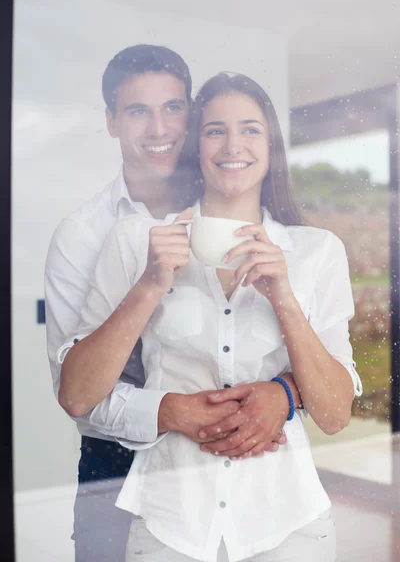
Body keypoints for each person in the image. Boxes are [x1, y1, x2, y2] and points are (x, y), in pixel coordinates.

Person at [58, 72, 362, 562]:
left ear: (271, 147)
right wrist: (151, 284)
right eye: (214, 130)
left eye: (250, 129)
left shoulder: (316, 252)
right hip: (168, 524)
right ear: (196, 147)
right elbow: (76, 394)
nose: (232, 144)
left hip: (288, 527)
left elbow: (334, 414)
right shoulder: (137, 242)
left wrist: (283, 298)